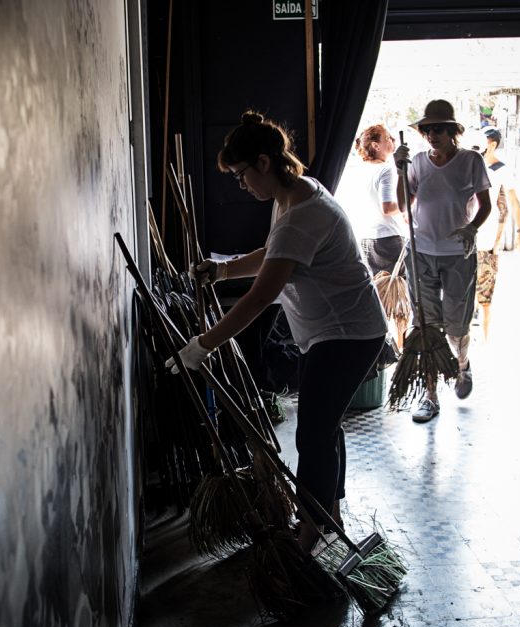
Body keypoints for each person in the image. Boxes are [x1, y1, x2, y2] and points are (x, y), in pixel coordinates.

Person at [173, 111, 387, 551]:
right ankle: (330, 515)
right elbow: (274, 252)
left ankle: (309, 534)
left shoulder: (301, 213)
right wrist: (223, 270)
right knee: (324, 428)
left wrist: (203, 345)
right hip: (329, 332)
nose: (242, 184)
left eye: (241, 175)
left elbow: (260, 296)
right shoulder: (292, 196)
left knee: (313, 431)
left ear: (264, 163)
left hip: (348, 333)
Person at [393, 100, 491, 423]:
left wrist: (471, 228)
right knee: (425, 326)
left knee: (456, 324)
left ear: (452, 131)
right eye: (427, 129)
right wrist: (400, 171)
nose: (431, 135)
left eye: (438, 129)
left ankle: (462, 364)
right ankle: (430, 395)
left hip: (457, 255)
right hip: (421, 251)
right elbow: (403, 204)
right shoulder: (418, 163)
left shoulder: (471, 161)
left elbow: (485, 205)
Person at [345, 124, 409, 347]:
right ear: (375, 145)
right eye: (388, 137)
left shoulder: (358, 169)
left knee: (374, 297)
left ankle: (378, 348)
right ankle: (401, 348)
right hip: (387, 240)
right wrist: (409, 202)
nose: (393, 140)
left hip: (363, 237)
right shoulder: (386, 169)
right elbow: (388, 207)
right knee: (399, 300)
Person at [474, 126, 520, 340]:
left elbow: (509, 204)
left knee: (485, 298)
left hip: (487, 244)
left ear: (492, 143)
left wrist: (513, 235)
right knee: (465, 297)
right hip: (469, 242)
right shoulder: (472, 164)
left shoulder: (501, 170)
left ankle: (485, 341)